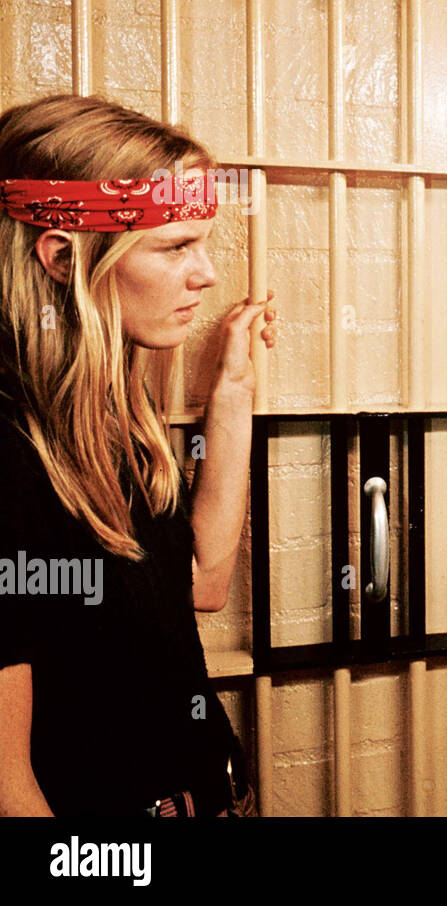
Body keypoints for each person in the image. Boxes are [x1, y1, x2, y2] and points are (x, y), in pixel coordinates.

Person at [0, 93, 276, 816]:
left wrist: (234, 389)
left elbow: (202, 582)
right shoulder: (9, 447)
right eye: (176, 246)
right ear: (62, 257)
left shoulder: (108, 410)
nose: (208, 274)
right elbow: (9, 790)